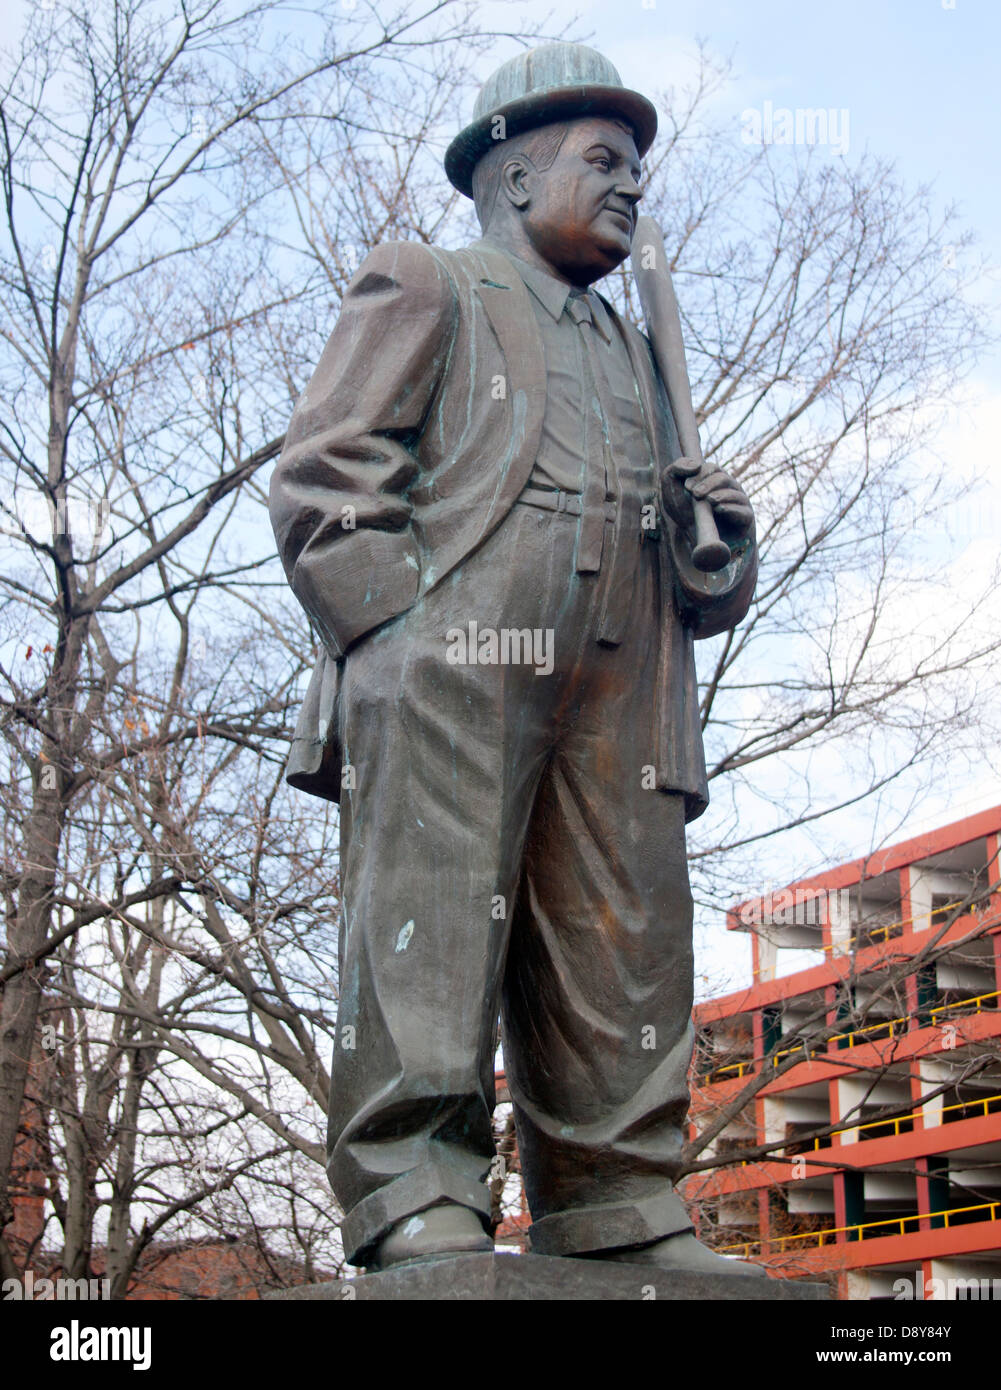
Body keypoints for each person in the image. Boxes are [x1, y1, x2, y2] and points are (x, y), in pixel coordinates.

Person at [269, 42, 761, 1275]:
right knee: (429, 923)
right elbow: (327, 470)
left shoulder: (641, 349)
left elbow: (696, 579)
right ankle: (412, 1188)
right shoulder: (428, 281)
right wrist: (395, 634)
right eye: (603, 160)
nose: (631, 187)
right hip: (457, 653)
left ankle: (618, 1192)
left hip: (622, 669)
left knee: (623, 926)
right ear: (509, 170)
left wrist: (718, 545)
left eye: (637, 169)